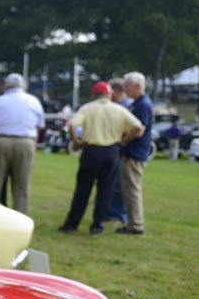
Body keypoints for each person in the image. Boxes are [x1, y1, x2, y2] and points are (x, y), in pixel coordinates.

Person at [59, 81, 144, 236]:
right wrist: (123, 141)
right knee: (106, 190)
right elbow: (138, 128)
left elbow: (71, 125)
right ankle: (97, 226)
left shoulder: (87, 108)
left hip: (91, 151)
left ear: (94, 95)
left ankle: (72, 223)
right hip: (112, 151)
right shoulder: (119, 109)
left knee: (83, 189)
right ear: (110, 94)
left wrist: (76, 142)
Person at [0, 73, 45, 216]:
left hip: (0, 142)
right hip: (25, 143)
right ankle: (20, 217)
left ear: (5, 87)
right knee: (22, 186)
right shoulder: (33, 101)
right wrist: (33, 146)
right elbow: (39, 127)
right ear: (23, 86)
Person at [118, 72, 154, 235]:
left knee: (132, 190)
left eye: (127, 86)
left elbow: (139, 130)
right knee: (128, 189)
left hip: (134, 153)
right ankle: (133, 223)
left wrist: (123, 141)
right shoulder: (137, 103)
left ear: (137, 86)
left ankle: (136, 225)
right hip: (133, 152)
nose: (125, 89)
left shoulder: (142, 105)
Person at [104, 78, 132, 224]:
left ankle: (118, 215)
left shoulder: (124, 107)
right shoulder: (124, 105)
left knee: (118, 184)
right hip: (116, 149)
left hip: (121, 149)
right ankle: (111, 213)